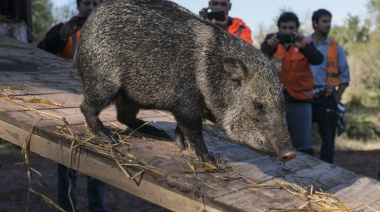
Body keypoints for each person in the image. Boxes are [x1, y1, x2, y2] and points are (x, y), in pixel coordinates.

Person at [37, 0, 108, 211]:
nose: (91, 8)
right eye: (86, 3)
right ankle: (67, 208)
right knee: (67, 163)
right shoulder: (62, 28)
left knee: (98, 161)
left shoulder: (109, 33)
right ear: (78, 6)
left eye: (96, 3)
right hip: (65, 108)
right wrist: (61, 36)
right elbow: (40, 51)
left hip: (97, 108)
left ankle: (97, 208)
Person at [260, 12, 323, 155]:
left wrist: (304, 47)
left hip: (300, 101)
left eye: (291, 28)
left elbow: (318, 59)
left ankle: (304, 176)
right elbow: (258, 60)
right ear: (278, 29)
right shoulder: (271, 42)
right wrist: (269, 47)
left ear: (297, 29)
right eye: (284, 28)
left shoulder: (305, 42)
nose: (287, 31)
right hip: (275, 102)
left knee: (302, 147)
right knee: (274, 146)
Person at [307, 9, 350, 164]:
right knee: (303, 139)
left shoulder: (335, 47)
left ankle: (326, 172)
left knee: (328, 141)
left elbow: (345, 76)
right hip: (305, 98)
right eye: (324, 21)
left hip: (327, 99)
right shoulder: (303, 44)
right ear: (315, 23)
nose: (328, 25)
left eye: (329, 21)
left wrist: (336, 99)